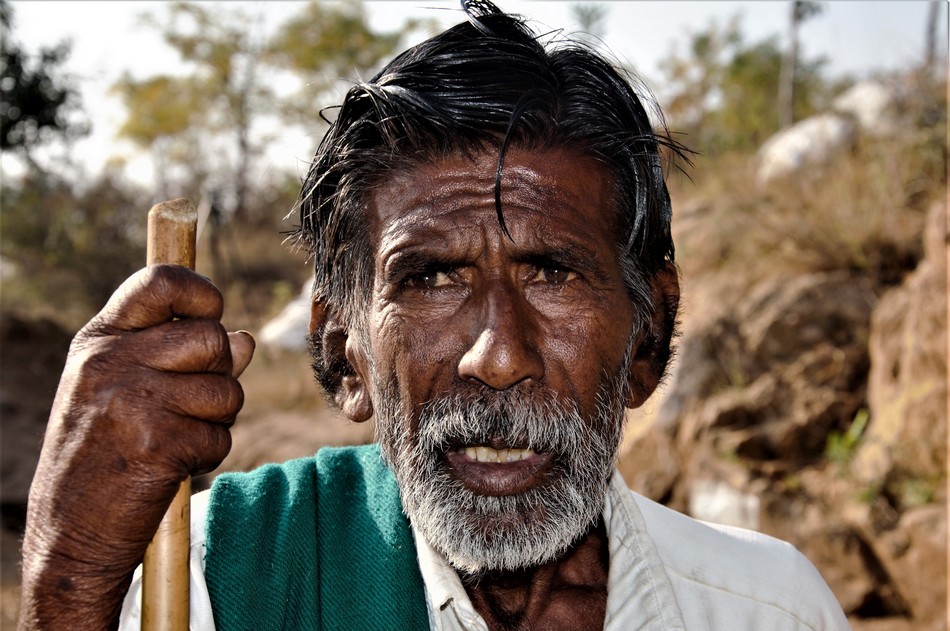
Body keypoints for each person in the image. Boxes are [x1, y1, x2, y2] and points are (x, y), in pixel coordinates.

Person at [19, 2, 850, 629]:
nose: (497, 355)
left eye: (552, 272)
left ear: (649, 336)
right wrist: (72, 573)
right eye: (430, 279)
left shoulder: (768, 609)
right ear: (343, 354)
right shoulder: (216, 580)